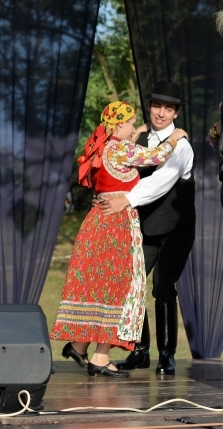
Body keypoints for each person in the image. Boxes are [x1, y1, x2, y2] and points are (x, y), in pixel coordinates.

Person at [51, 101, 187, 378]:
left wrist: (133, 133)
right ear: (119, 125)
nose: (133, 127)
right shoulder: (121, 149)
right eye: (130, 122)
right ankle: (98, 357)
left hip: (97, 222)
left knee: (102, 286)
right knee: (120, 287)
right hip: (117, 224)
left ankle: (80, 346)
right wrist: (175, 138)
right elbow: (155, 156)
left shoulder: (101, 146)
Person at [100, 82, 195, 375]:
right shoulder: (139, 143)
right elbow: (118, 170)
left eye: (168, 109)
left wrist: (125, 200)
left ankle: (167, 354)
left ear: (175, 112)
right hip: (146, 226)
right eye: (157, 107)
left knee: (163, 287)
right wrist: (105, 195)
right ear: (150, 107)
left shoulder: (181, 145)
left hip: (176, 229)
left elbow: (160, 181)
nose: (161, 113)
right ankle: (139, 351)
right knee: (132, 286)